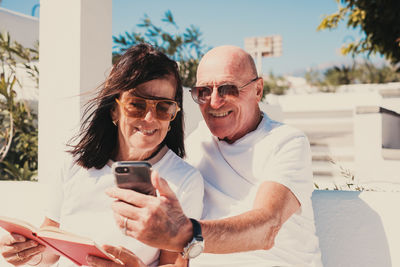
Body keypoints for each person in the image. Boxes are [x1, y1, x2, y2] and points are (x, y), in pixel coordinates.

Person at [88, 46, 322, 267]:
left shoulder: (285, 141)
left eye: (228, 89)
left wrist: (186, 233)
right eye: (203, 92)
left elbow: (266, 227)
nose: (214, 101)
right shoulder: (192, 147)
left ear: (258, 90)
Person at [0, 43, 203, 267]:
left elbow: (174, 263)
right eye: (136, 104)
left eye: (164, 107)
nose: (150, 118)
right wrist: (24, 252)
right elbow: (50, 249)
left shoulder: (184, 181)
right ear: (114, 109)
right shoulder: (74, 164)